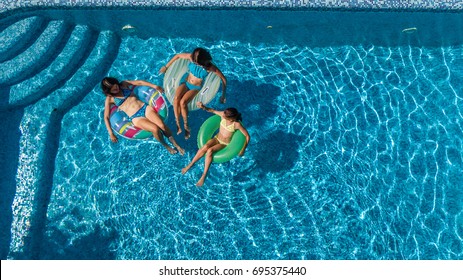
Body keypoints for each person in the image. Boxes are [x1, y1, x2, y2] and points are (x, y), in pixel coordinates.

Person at [101, 77, 185, 155]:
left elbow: (140, 82)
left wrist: (154, 86)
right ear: (108, 90)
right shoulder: (110, 99)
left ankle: (176, 144)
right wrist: (111, 133)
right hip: (136, 117)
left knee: (162, 125)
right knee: (155, 129)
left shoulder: (123, 84)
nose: (115, 87)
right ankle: (166, 146)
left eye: (114, 84)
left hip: (145, 108)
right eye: (112, 88)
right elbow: (106, 117)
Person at [159, 47, 227, 140]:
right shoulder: (191, 58)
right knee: (176, 99)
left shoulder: (209, 67)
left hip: (195, 87)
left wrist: (223, 95)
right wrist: (166, 67)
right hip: (185, 82)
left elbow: (223, 79)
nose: (194, 61)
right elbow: (178, 56)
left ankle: (186, 126)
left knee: (183, 103)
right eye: (194, 59)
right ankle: (178, 123)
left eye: (196, 60)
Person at [182, 102, 250, 186]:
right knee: (206, 146)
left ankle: (204, 175)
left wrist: (243, 149)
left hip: (224, 144)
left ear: (231, 119)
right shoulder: (223, 115)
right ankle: (190, 164)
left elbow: (247, 136)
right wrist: (203, 106)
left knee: (210, 150)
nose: (223, 116)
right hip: (216, 138)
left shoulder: (236, 124)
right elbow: (212, 110)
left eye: (225, 116)